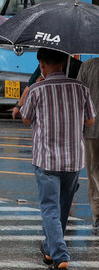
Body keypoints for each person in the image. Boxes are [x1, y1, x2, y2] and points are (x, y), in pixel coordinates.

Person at [20, 48, 96, 269]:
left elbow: (26, 118)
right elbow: (91, 121)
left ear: (42, 64)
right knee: (62, 207)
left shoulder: (37, 89)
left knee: (50, 209)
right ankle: (50, 249)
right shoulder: (81, 88)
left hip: (47, 159)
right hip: (73, 160)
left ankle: (60, 255)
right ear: (64, 62)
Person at [76, 57, 99, 227]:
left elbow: (77, 94)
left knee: (93, 172)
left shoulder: (88, 66)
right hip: (91, 128)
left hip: (92, 128)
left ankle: (98, 216)